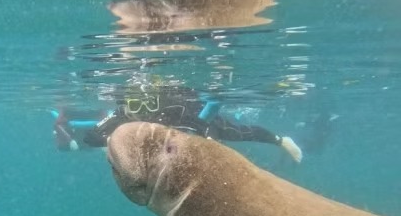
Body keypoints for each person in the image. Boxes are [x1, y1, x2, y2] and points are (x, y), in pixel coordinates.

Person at [52, 85, 303, 162]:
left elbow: (206, 129)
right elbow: (91, 138)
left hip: (195, 122)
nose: (142, 112)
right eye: (135, 105)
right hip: (168, 144)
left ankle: (281, 141)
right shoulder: (124, 114)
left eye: (148, 104)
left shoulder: (175, 109)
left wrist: (208, 143)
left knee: (235, 131)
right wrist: (112, 140)